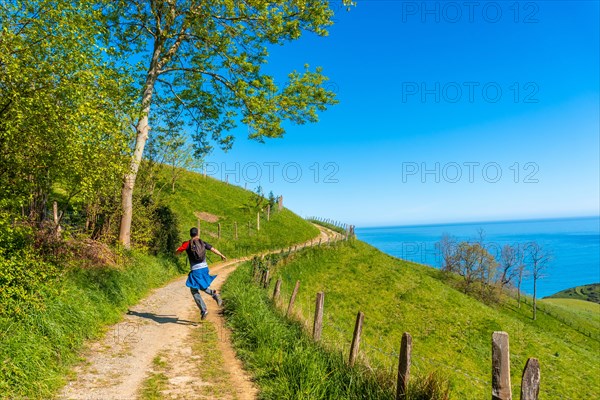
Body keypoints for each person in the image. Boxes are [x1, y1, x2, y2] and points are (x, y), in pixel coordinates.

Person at [176, 227, 227, 320]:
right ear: (197, 234)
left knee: (194, 289)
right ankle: (213, 295)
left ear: (190, 234)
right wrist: (221, 255)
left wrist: (177, 251)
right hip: (205, 268)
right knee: (200, 286)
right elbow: (213, 249)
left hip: (196, 270)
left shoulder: (187, 244)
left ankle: (205, 308)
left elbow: (178, 252)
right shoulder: (202, 243)